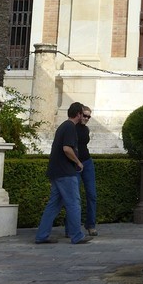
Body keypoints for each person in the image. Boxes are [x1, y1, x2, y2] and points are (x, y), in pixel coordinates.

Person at [34, 103, 91, 245]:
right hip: (66, 171)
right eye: (82, 113)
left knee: (54, 204)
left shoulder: (63, 126)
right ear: (78, 114)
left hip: (56, 171)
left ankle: (42, 235)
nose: (83, 116)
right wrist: (78, 162)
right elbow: (67, 149)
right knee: (74, 203)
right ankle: (76, 235)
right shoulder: (70, 127)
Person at [78, 105, 98, 238]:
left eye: (89, 117)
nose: (86, 118)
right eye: (85, 115)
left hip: (87, 162)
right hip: (75, 164)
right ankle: (72, 227)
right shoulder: (70, 128)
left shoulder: (86, 129)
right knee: (75, 196)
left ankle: (91, 225)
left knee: (92, 194)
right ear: (79, 114)